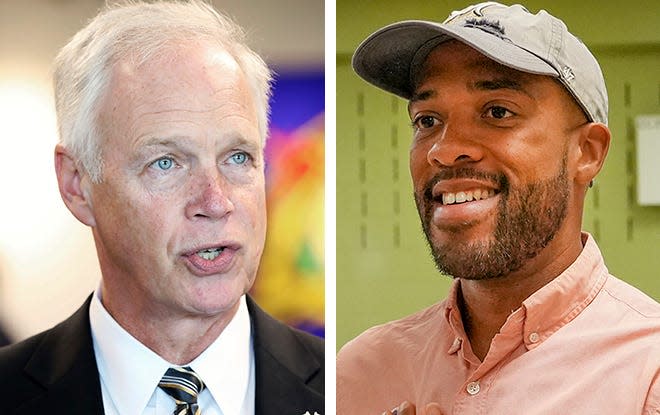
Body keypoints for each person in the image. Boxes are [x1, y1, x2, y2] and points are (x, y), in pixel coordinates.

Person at [0, 1, 324, 414]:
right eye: (165, 163)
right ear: (77, 184)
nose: (216, 202)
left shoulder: (342, 387)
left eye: (237, 157)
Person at [337, 2, 659, 414]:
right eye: (427, 120)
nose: (445, 150)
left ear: (587, 152)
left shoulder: (648, 370)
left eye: (497, 112)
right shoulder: (360, 372)